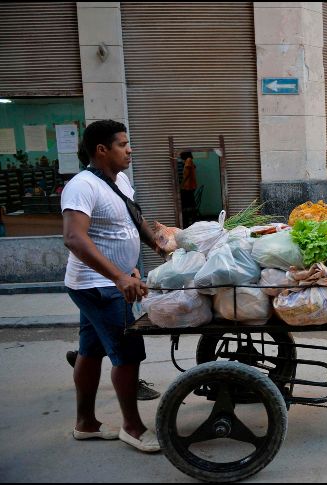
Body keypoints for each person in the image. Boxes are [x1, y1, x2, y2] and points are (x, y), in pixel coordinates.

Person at [61, 119, 164, 452]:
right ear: (101, 150)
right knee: (127, 353)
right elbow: (74, 238)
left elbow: (134, 219)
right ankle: (132, 428)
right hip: (99, 286)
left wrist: (160, 245)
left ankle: (86, 424)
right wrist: (117, 276)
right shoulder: (82, 185)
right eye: (122, 144)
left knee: (90, 351)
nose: (129, 149)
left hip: (111, 283)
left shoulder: (119, 181)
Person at [179, 151, 197, 227]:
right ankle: (190, 220)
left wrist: (181, 184)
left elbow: (186, 174)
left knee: (187, 204)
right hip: (190, 186)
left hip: (187, 186)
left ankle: (188, 221)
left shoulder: (188, 160)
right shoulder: (190, 160)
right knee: (190, 203)